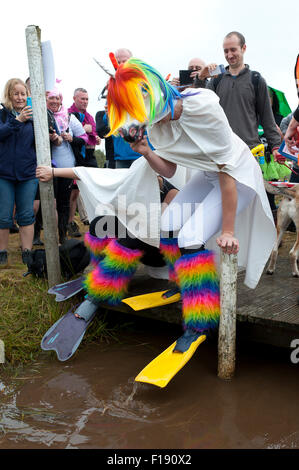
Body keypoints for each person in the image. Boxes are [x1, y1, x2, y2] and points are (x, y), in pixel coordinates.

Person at [36, 57, 276, 349]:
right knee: (168, 225)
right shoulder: (157, 126)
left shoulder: (203, 107)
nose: (143, 121)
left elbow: (226, 171)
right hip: (209, 174)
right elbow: (172, 171)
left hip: (236, 176)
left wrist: (228, 230)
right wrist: (145, 151)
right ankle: (183, 280)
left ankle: (200, 322)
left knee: (190, 237)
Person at [0, 78, 38, 266]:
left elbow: (41, 141)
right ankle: (2, 252)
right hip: (4, 173)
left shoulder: (35, 116)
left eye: (23, 93)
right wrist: (18, 120)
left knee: (26, 214)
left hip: (28, 173)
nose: (20, 97)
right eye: (16, 93)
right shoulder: (2, 115)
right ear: (9, 95)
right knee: (4, 215)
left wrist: (53, 136)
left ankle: (27, 252)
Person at [46, 87, 88, 244]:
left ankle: (62, 236)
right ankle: (39, 236)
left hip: (66, 167)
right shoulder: (40, 116)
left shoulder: (69, 117)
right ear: (45, 100)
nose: (55, 101)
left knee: (64, 203)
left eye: (57, 98)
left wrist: (71, 138)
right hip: (47, 166)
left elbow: (84, 138)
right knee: (48, 202)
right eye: (51, 98)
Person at [68, 88, 100, 236]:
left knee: (95, 189)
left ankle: (97, 220)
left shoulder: (89, 116)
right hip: (75, 156)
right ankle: (69, 222)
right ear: (74, 98)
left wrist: (92, 135)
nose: (85, 102)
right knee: (73, 193)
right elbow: (68, 132)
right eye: (82, 99)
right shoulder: (68, 113)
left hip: (90, 155)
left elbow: (93, 136)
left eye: (87, 99)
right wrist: (83, 129)